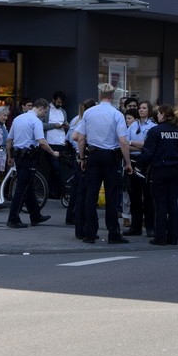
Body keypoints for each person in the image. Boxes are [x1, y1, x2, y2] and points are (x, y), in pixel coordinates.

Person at [75, 83, 132, 244]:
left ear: (100, 95)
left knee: (90, 195)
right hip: (110, 158)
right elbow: (123, 141)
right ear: (112, 97)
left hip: (93, 156)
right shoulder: (117, 114)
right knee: (112, 196)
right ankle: (113, 233)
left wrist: (82, 158)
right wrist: (127, 162)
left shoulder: (89, 113)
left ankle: (90, 233)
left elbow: (80, 138)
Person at [138, 105, 178, 245]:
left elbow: (148, 152)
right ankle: (173, 237)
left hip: (160, 170)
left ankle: (160, 237)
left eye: (159, 114)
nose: (157, 116)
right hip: (175, 171)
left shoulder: (155, 131)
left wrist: (138, 165)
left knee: (160, 204)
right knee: (173, 204)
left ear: (162, 115)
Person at [4, 99, 55, 229]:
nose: (44, 114)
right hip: (29, 158)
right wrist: (53, 153)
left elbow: (9, 140)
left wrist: (10, 156)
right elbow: (41, 141)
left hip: (19, 157)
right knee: (22, 188)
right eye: (45, 111)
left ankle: (35, 215)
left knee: (28, 186)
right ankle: (13, 218)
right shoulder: (36, 121)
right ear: (41, 108)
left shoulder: (18, 119)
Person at [124, 100, 157, 237]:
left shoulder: (153, 127)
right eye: (139, 108)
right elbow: (125, 143)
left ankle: (150, 226)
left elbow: (149, 145)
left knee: (148, 196)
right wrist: (138, 144)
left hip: (147, 162)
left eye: (144, 108)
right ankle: (135, 227)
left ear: (149, 110)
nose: (141, 110)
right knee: (134, 195)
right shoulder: (132, 126)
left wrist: (134, 143)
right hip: (133, 160)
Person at [65, 98, 96, 234]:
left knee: (77, 191)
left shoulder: (77, 119)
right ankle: (79, 224)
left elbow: (69, 137)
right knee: (83, 192)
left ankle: (72, 217)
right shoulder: (85, 120)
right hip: (83, 156)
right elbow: (75, 137)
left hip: (77, 155)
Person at [42, 91, 69, 200]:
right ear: (53, 100)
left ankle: (51, 192)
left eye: (61, 102)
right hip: (49, 143)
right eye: (58, 102)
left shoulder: (63, 111)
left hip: (61, 142)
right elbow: (41, 125)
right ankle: (61, 191)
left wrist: (65, 126)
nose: (60, 104)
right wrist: (54, 125)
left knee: (55, 169)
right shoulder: (47, 110)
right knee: (55, 167)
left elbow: (66, 122)